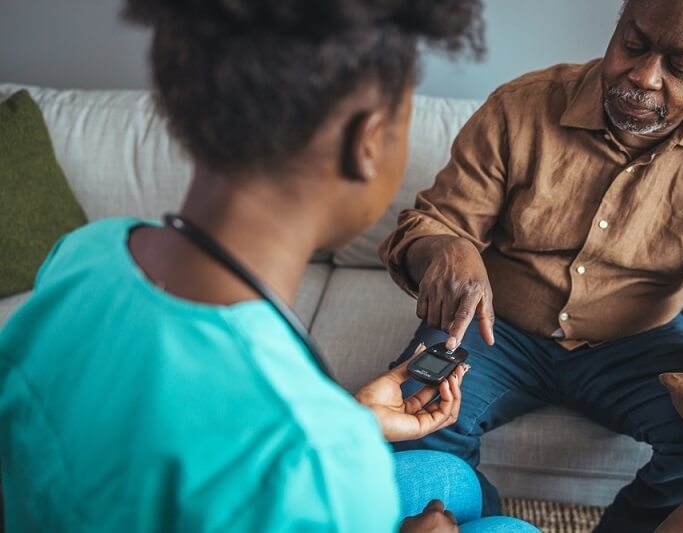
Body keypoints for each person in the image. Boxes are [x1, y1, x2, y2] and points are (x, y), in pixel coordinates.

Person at [0, 1, 540, 532]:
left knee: (454, 480)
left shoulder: (84, 252)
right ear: (368, 142)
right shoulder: (324, 469)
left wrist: (352, 420)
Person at [381, 0, 683, 531]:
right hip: (496, 329)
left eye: (680, 65)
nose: (644, 76)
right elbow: (433, 223)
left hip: (639, 341)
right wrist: (444, 246)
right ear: (619, 27)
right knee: (406, 420)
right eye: (634, 44)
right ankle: (481, 521)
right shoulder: (521, 106)